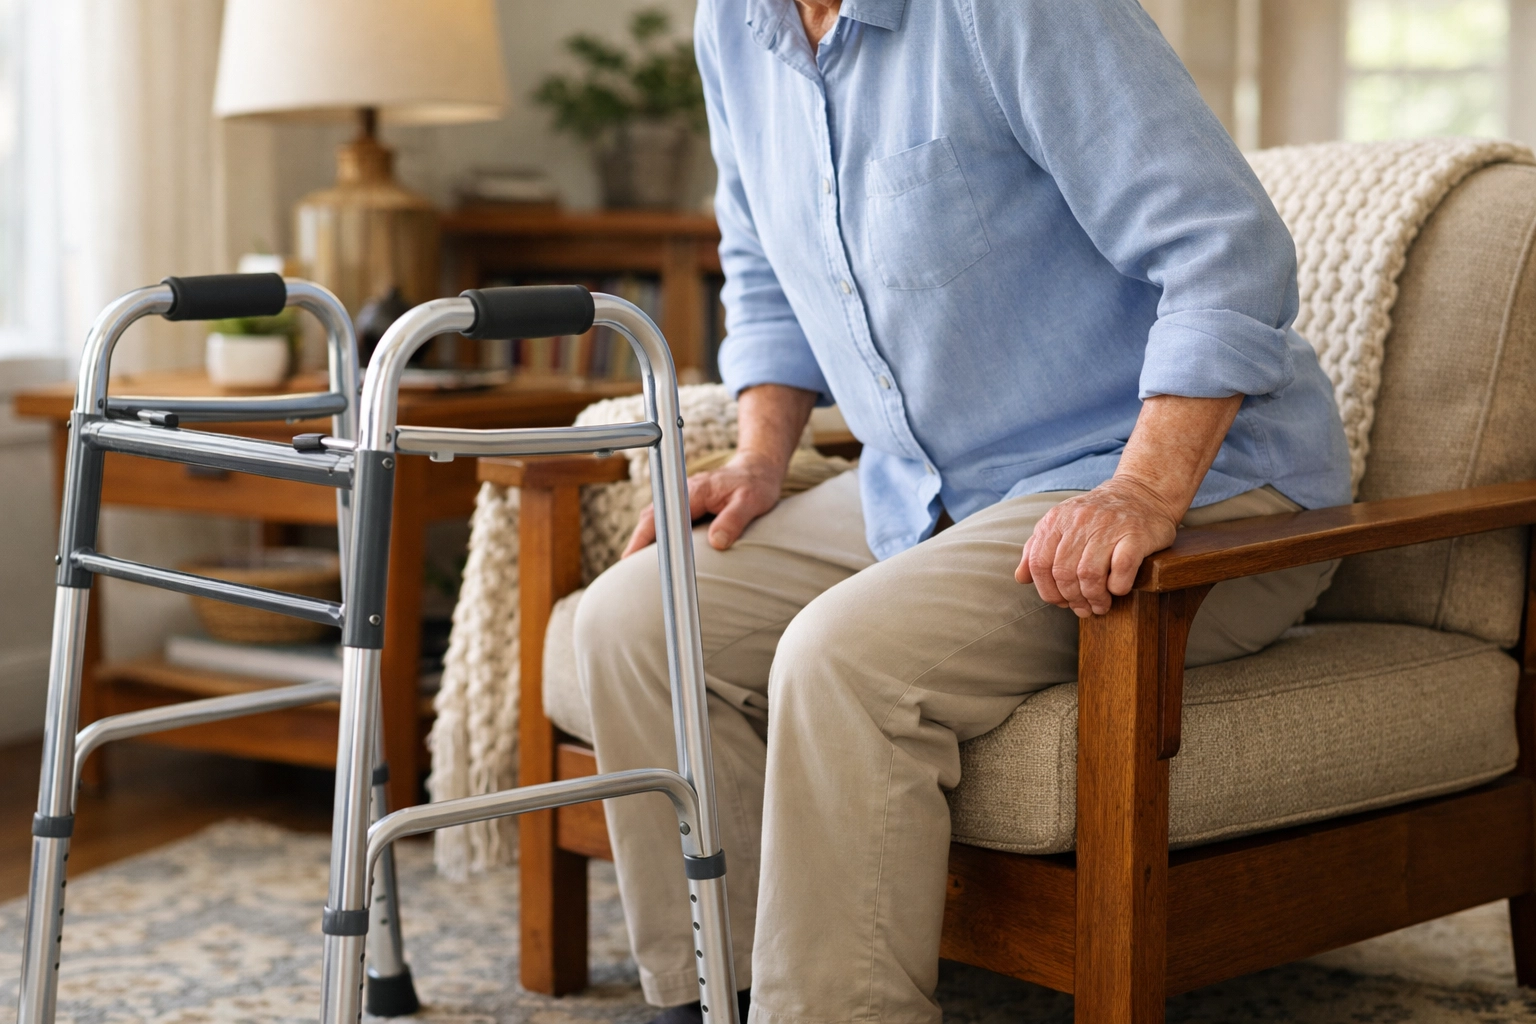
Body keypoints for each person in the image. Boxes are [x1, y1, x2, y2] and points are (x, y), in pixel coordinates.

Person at [573, 0, 1351, 1022]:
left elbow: (1227, 250)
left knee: (844, 658)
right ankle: (721, 998)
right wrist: (763, 457)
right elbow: (761, 268)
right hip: (932, 484)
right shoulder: (736, 24)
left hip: (1196, 481)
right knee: (639, 620)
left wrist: (1142, 488)